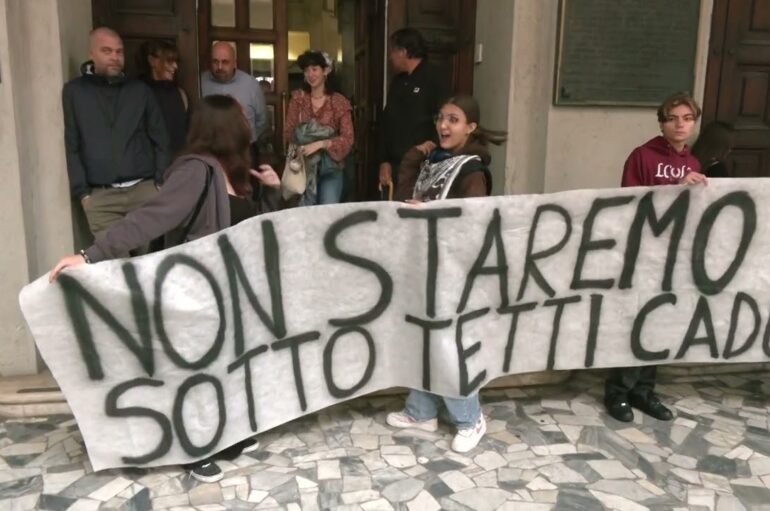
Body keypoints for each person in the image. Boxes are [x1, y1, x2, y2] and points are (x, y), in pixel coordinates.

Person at [50, 94, 281, 483]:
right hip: (195, 293)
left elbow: (258, 230)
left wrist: (272, 190)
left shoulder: (235, 172)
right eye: (242, 116)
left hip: (228, 290)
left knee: (223, 367)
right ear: (225, 126)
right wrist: (91, 255)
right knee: (193, 372)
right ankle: (192, 448)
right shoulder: (195, 170)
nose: (249, 121)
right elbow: (152, 218)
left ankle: (223, 437)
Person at [388, 95, 506, 453]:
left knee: (448, 343)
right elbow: (408, 199)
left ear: (470, 127)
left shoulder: (471, 171)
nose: (443, 125)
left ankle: (470, 418)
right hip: (427, 264)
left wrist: (435, 215)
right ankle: (421, 411)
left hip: (454, 270)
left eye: (453, 120)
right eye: (441, 118)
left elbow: (474, 222)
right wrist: (412, 157)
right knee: (425, 336)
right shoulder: (436, 162)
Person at [604, 92, 707, 423]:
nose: (680, 125)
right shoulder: (642, 156)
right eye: (673, 118)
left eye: (687, 118)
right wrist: (676, 187)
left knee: (660, 323)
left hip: (673, 258)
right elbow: (631, 203)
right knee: (635, 323)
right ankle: (618, 391)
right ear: (662, 123)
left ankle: (643, 391)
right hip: (642, 255)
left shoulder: (694, 164)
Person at [63, 27, 170, 247]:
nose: (115, 57)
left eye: (119, 52)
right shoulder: (74, 92)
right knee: (113, 266)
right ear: (91, 54)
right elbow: (72, 144)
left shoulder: (140, 90)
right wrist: (83, 194)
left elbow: (161, 137)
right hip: (101, 197)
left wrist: (159, 182)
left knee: (147, 263)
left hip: (143, 191)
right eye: (107, 51)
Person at [378, 28, 448, 194]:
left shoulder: (434, 78)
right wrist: (384, 160)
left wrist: (431, 145)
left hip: (422, 166)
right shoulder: (398, 82)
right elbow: (387, 122)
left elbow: (444, 118)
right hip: (395, 166)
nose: (390, 57)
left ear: (403, 52)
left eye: (392, 52)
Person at [284, 49, 354, 205]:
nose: (310, 74)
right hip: (303, 169)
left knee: (327, 216)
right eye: (306, 70)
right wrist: (306, 138)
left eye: (315, 69)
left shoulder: (338, 102)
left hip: (331, 169)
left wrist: (321, 143)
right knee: (303, 217)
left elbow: (348, 138)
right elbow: (289, 131)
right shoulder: (298, 99)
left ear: (326, 71)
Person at [201, 41, 267, 165]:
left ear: (235, 63)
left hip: (243, 152)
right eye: (215, 61)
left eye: (225, 62)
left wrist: (245, 140)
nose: (219, 67)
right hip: (210, 153)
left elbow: (262, 121)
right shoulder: (200, 82)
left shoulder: (251, 84)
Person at [136, 39, 190, 156]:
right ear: (152, 61)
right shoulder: (138, 93)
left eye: (176, 61)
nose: (175, 66)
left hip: (178, 163)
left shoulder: (180, 93)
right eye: (169, 61)